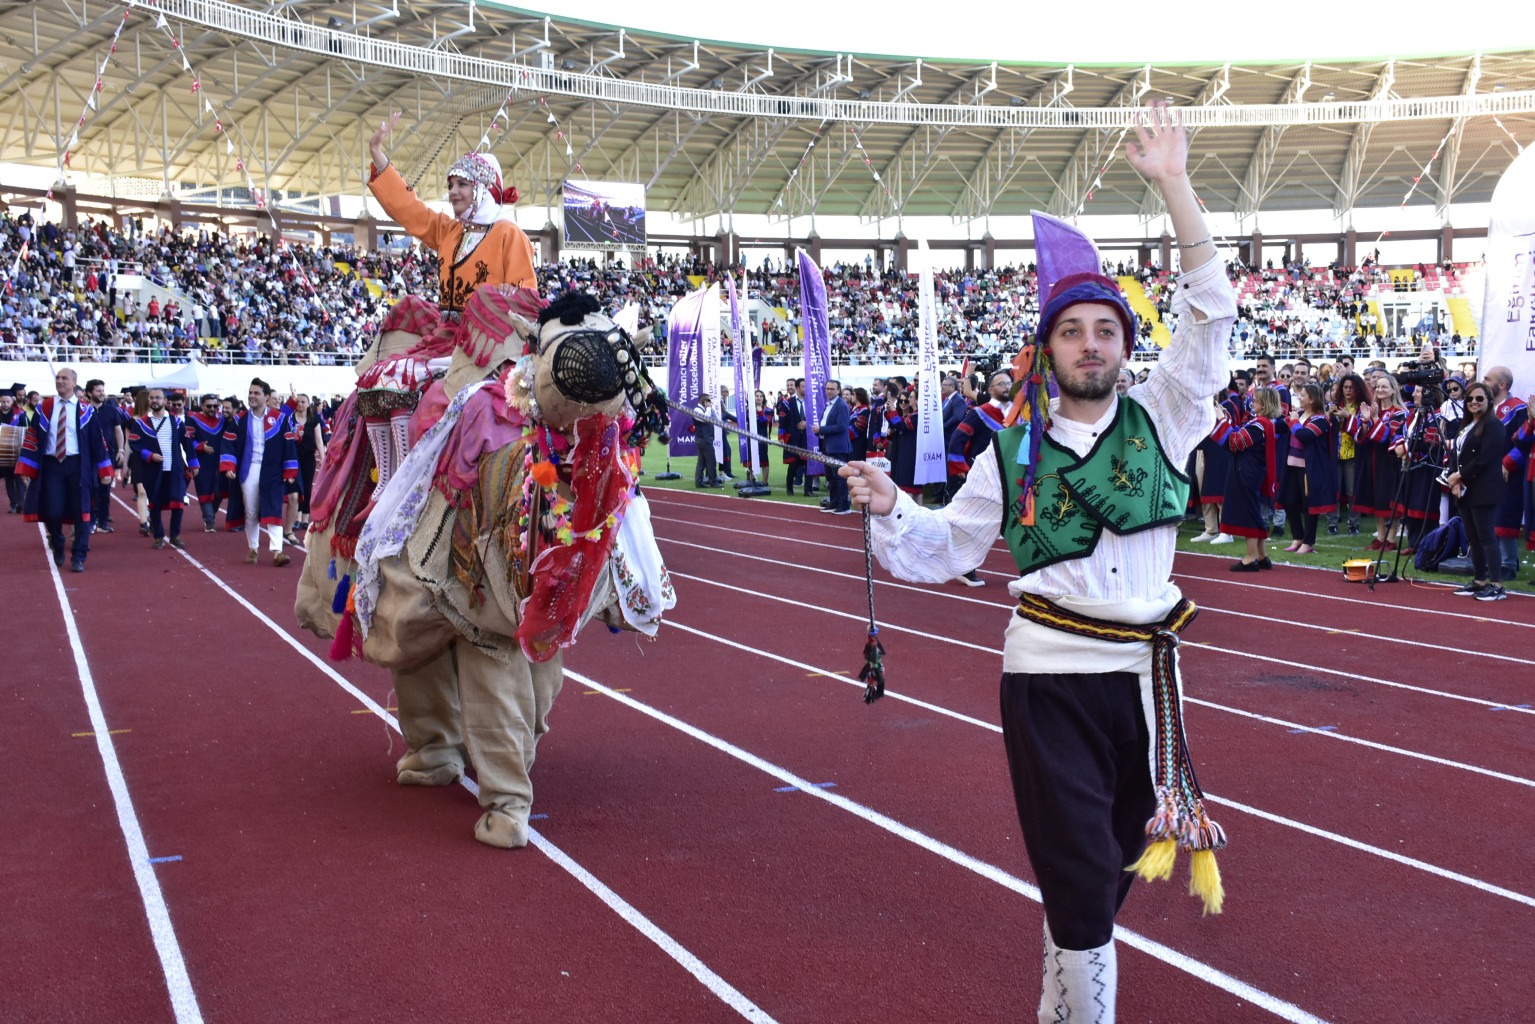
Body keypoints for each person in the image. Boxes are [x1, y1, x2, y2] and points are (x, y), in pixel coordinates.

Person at [841, 103, 1231, 1023]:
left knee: (1112, 867)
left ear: (1124, 349)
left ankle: (1061, 999)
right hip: (1047, 679)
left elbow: (1210, 312)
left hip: (1145, 682)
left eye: (1105, 331)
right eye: (1072, 332)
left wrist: (1174, 183)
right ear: (1047, 352)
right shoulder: (1009, 452)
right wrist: (895, 506)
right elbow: (945, 550)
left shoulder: (1167, 419)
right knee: (1082, 874)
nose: (1090, 344)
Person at [366, 113, 537, 313]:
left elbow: (527, 301)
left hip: (489, 338)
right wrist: (376, 152)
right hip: (447, 334)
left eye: (462, 184)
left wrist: (512, 293)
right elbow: (409, 209)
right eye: (450, 185)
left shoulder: (508, 232)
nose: (452, 192)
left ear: (484, 190)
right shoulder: (450, 230)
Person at [15, 368, 114, 572]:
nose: (60, 381)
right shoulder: (45, 407)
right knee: (52, 510)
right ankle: (58, 543)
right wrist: (26, 467)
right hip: (52, 465)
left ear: (74, 382)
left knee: (81, 512)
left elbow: (98, 441)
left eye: (64, 378)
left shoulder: (86, 410)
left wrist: (105, 470)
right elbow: (32, 437)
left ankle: (79, 556)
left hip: (78, 466)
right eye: (58, 378)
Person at [222, 378, 299, 566]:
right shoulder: (239, 419)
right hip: (248, 470)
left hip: (272, 470)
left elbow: (288, 444)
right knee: (251, 511)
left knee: (274, 508)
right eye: (250, 392)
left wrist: (289, 472)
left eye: (256, 393)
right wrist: (229, 466)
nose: (252, 396)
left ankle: (277, 552)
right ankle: (253, 548)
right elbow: (228, 443)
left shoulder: (279, 419)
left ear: (266, 396)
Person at [1447, 382, 1508, 601]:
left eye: (1479, 398)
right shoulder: (1468, 425)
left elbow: (1486, 458)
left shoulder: (1494, 424)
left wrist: (1459, 476)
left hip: (1484, 488)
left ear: (1489, 401)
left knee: (1486, 536)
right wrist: (1453, 479)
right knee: (1473, 537)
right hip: (1466, 489)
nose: (1474, 402)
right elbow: (1458, 455)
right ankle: (1480, 580)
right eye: (1470, 398)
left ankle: (1497, 585)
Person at [1219, 387, 1284, 570]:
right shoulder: (1263, 422)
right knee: (1254, 512)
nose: (1251, 402)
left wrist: (1221, 421)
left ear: (1263, 404)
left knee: (1249, 513)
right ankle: (1262, 556)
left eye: (1254, 400)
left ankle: (1250, 558)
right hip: (1253, 471)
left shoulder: (1260, 424)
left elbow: (1235, 442)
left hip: (1247, 472)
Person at [129, 387, 197, 550]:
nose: (154, 401)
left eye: (158, 398)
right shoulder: (141, 422)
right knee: (155, 503)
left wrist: (194, 463)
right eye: (152, 398)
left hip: (175, 468)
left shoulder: (176, 421)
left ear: (165, 401)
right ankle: (158, 536)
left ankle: (175, 535)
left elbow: (187, 443)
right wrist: (149, 455)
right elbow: (134, 443)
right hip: (152, 470)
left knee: (178, 501)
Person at [1281, 383, 1338, 554]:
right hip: (1292, 465)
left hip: (1309, 468)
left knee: (1309, 505)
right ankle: (1298, 537)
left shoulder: (1320, 419)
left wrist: (1293, 422)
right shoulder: (1298, 415)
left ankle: (1308, 541)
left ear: (1312, 399)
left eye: (1303, 395)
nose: (1300, 397)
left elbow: (1305, 435)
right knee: (1288, 501)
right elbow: (1283, 428)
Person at [1484, 366, 1527, 578]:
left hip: (1510, 473)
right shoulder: (1486, 408)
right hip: (1488, 474)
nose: (1484, 382)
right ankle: (1494, 561)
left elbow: (1525, 443)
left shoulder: (1518, 408)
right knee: (1490, 516)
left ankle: (1509, 563)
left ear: (1502, 384)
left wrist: (1508, 463)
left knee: (1506, 516)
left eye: (1487, 378)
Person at [1325, 373, 1369, 536]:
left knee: (1352, 491)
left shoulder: (1362, 407)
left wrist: (1347, 417)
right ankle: (1332, 523)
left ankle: (1354, 523)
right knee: (1333, 489)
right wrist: (1329, 416)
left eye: (1351, 387)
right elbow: (1325, 428)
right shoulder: (1335, 405)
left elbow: (1364, 431)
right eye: (1345, 387)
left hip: (1353, 454)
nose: (1348, 390)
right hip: (1335, 453)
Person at [84, 378, 124, 533]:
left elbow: (118, 430)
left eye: (103, 390)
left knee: (105, 490)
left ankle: (103, 521)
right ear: (89, 393)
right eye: (98, 391)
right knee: (92, 488)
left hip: (108, 456)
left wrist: (121, 450)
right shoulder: (84, 410)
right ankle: (91, 521)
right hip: (89, 457)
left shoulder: (111, 410)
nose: (102, 393)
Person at [185, 393, 228, 532]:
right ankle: (209, 520)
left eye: (215, 406)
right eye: (209, 406)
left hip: (220, 460)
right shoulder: (193, 420)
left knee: (219, 492)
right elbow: (188, 440)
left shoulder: (223, 419)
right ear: (202, 406)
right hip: (202, 461)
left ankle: (211, 513)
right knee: (204, 490)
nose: (212, 409)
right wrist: (199, 446)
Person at [812, 379, 852, 513]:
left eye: (832, 389)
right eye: (827, 389)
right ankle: (834, 502)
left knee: (839, 477)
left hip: (838, 446)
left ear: (838, 390)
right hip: (827, 444)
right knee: (831, 477)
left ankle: (843, 505)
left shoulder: (841, 405)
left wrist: (821, 430)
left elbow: (841, 427)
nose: (829, 391)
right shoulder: (829, 404)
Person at [690, 392, 720, 488]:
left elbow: (716, 419)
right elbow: (705, 419)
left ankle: (699, 482)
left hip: (706, 438)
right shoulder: (697, 410)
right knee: (711, 461)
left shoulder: (707, 410)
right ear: (702, 401)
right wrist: (708, 409)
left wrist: (711, 409)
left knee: (702, 462)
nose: (710, 402)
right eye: (708, 400)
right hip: (704, 439)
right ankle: (713, 482)